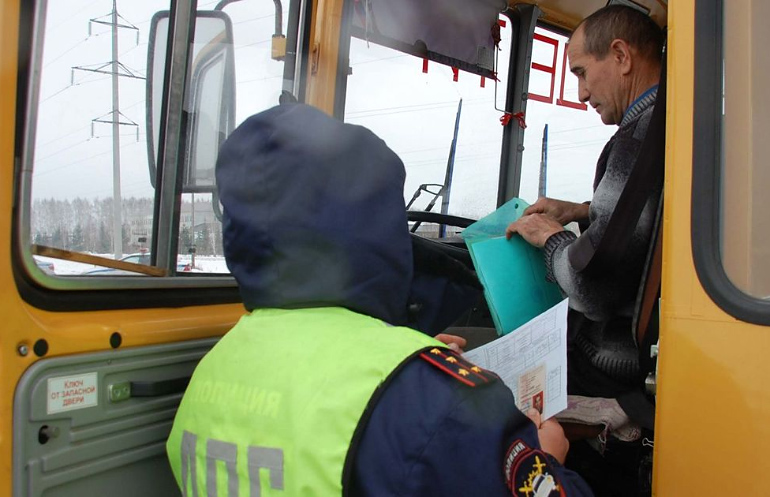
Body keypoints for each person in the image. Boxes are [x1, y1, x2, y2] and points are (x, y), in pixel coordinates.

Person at [165, 103, 593, 496]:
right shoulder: (437, 400)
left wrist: (410, 372)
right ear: (376, 228)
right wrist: (548, 457)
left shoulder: (210, 373)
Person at [505, 5, 664, 494]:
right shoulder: (672, 126)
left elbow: (593, 287)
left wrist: (549, 237)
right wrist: (581, 210)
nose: (581, 93)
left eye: (580, 72)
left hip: (609, 368)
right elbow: (642, 220)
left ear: (619, 55)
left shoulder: (639, 138)